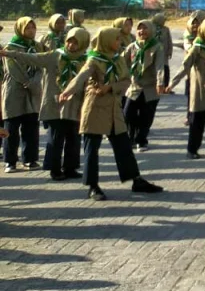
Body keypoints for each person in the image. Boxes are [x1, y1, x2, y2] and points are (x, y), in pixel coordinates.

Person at [59, 27, 163, 201]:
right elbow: (81, 77)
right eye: (116, 39)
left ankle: (136, 180)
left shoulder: (118, 59)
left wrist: (110, 87)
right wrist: (67, 92)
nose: (119, 42)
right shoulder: (94, 59)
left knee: (123, 146)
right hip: (95, 107)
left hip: (114, 108)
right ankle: (93, 186)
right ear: (106, 41)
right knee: (92, 149)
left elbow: (125, 81)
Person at [0, 26, 90, 180]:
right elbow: (33, 58)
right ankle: (54, 169)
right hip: (55, 103)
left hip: (75, 104)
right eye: (69, 41)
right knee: (56, 138)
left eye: (75, 43)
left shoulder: (85, 60)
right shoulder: (56, 55)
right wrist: (9, 53)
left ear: (82, 43)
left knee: (74, 138)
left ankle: (70, 168)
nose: (71, 45)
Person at [169, 20, 205, 159]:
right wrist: (172, 84)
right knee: (196, 122)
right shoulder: (197, 47)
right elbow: (185, 66)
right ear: (204, 32)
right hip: (200, 89)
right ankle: (192, 150)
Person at [2, 17, 42, 172]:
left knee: (31, 126)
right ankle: (10, 161)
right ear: (20, 29)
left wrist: (34, 82)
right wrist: (27, 81)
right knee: (11, 127)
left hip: (32, 90)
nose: (31, 31)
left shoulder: (36, 46)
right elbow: (12, 69)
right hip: (15, 89)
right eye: (28, 28)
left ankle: (30, 159)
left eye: (33, 28)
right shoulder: (10, 47)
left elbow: (40, 65)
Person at [122, 20, 165, 152]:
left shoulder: (157, 47)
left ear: (151, 30)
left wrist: (160, 83)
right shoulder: (132, 46)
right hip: (134, 87)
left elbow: (159, 66)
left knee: (146, 117)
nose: (142, 31)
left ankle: (141, 140)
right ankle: (130, 137)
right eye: (140, 29)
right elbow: (122, 63)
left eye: (145, 28)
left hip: (150, 88)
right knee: (127, 113)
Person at [153, 13, 174, 93]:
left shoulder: (166, 29)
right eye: (162, 20)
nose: (164, 22)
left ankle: (166, 88)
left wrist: (170, 51)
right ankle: (156, 87)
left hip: (164, 53)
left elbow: (169, 40)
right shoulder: (151, 27)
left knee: (166, 70)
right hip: (154, 53)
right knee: (156, 70)